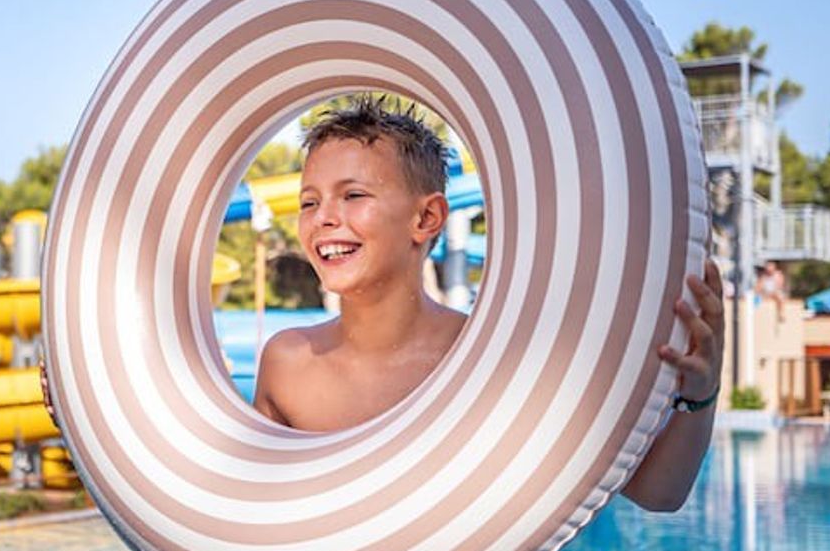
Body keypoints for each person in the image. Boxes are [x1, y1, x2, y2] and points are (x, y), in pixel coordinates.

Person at [254, 97, 724, 518]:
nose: (323, 218)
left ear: (426, 217)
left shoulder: (487, 357)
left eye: (353, 195)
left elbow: (659, 493)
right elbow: (249, 521)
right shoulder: (288, 363)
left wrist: (700, 394)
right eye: (309, 202)